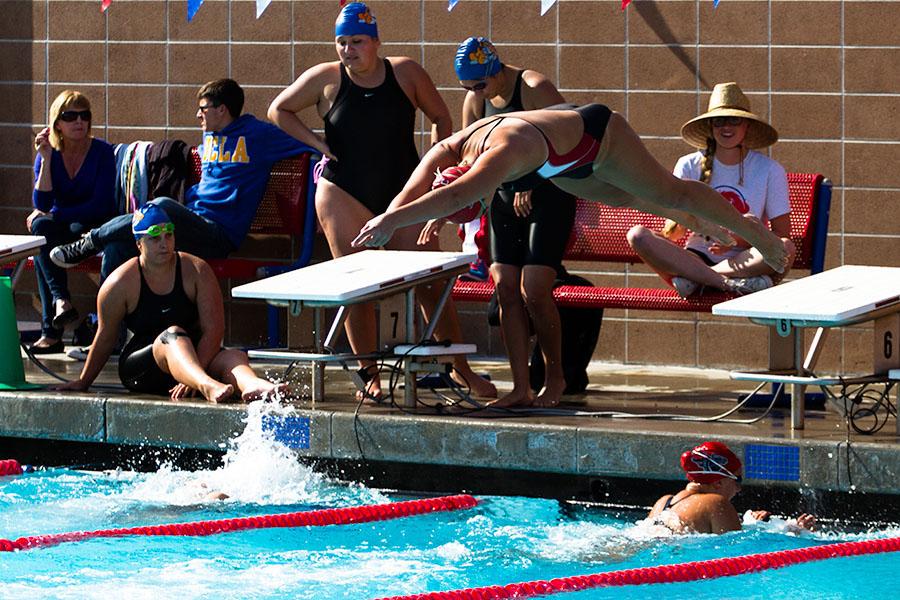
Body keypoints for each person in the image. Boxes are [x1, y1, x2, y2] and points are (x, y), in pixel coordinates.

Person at [267, 2, 495, 400]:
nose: (347, 50)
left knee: (430, 281)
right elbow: (278, 110)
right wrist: (316, 142)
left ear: (375, 42)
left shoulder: (405, 73)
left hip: (403, 192)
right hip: (344, 193)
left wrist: (434, 174)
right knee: (359, 283)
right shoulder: (327, 78)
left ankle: (460, 370)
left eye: (356, 41)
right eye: (341, 42)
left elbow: (442, 119)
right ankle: (369, 374)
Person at [349, 102, 792, 279]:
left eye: (476, 195)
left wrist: (391, 221)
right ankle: (702, 227)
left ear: (469, 177)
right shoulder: (447, 150)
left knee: (669, 192)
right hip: (556, 162)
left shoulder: (500, 153)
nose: (478, 195)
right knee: (631, 198)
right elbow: (413, 191)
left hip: (597, 137)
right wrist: (384, 223)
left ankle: (764, 241)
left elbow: (450, 196)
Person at [421, 37, 575, 408]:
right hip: (504, 199)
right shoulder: (475, 101)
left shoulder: (534, 87)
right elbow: (469, 163)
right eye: (468, 87)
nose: (474, 92)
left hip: (550, 195)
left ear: (497, 70)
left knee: (535, 289)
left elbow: (570, 141)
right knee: (505, 286)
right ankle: (520, 387)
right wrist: (444, 212)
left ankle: (555, 378)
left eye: (480, 85)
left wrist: (533, 179)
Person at [50, 79, 313, 281]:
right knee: (117, 247)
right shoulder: (211, 134)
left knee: (161, 205)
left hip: (218, 235)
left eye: (203, 109)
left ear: (221, 109)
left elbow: (303, 142)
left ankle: (88, 243)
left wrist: (328, 153)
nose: (198, 115)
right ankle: (109, 335)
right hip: (190, 223)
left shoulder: (258, 135)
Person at [50, 205, 289, 403]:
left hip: (195, 360)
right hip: (144, 367)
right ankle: (206, 386)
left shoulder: (196, 270)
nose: (164, 244)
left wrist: (194, 373)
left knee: (232, 355)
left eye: (169, 235)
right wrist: (83, 382)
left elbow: (214, 330)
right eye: (154, 238)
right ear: (139, 244)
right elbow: (105, 337)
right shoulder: (120, 283)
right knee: (173, 335)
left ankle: (254, 385)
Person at [626, 82, 795, 299]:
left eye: (734, 120)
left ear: (747, 126)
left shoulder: (770, 170)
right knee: (638, 236)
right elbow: (674, 233)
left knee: (786, 248)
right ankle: (723, 282)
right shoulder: (688, 165)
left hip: (746, 260)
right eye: (719, 121)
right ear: (710, 127)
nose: (726, 127)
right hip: (695, 257)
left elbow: (782, 235)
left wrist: (737, 239)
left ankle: (702, 278)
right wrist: (691, 222)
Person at [27, 91, 117, 353]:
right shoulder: (49, 152)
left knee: (46, 239)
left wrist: (54, 215)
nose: (79, 121)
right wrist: (45, 159)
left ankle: (52, 330)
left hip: (92, 225)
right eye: (70, 116)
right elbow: (41, 204)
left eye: (84, 115)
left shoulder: (102, 152)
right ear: (57, 123)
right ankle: (61, 301)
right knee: (41, 231)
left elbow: (100, 204)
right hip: (61, 228)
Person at [647, 441, 816, 534]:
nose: (739, 489)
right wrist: (795, 533)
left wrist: (754, 526)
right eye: (738, 480)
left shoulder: (664, 502)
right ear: (718, 482)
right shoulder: (716, 503)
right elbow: (740, 551)